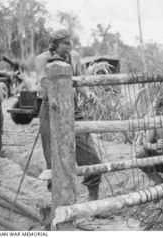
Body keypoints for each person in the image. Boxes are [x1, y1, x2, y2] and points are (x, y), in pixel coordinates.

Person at [35, 29, 100, 200]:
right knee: (54, 159)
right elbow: (41, 91)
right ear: (53, 45)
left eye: (70, 43)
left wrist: (88, 93)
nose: (69, 46)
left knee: (90, 155)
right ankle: (58, 201)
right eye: (65, 43)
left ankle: (94, 198)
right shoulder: (42, 59)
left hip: (73, 109)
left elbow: (79, 81)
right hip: (50, 109)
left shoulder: (75, 56)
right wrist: (57, 78)